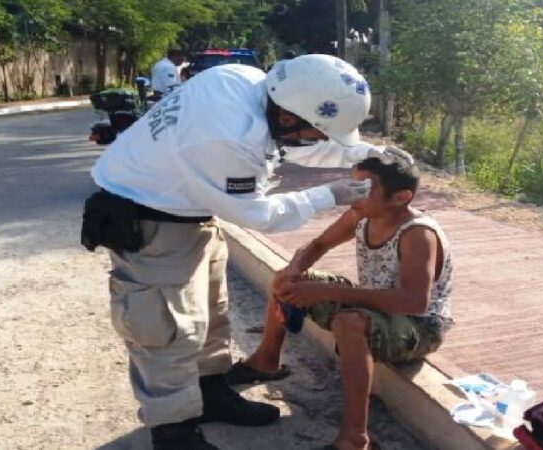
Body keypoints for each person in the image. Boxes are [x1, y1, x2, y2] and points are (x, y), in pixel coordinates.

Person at [82, 54, 413, 450]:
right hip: (151, 219)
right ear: (287, 116)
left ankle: (210, 393)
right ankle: (173, 432)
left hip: (188, 206)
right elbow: (257, 214)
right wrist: (329, 194)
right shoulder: (228, 138)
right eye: (318, 131)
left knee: (211, 311)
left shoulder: (247, 83)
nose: (318, 139)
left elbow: (288, 147)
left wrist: (363, 153)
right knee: (167, 328)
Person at [235, 157, 453, 450]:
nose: (353, 195)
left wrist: (327, 292)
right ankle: (265, 362)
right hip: (376, 306)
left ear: (401, 198)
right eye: (353, 185)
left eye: (364, 188)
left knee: (349, 322)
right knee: (287, 280)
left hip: (418, 327)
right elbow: (319, 244)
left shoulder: (417, 234)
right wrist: (294, 269)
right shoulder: (361, 214)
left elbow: (414, 302)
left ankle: (354, 439)